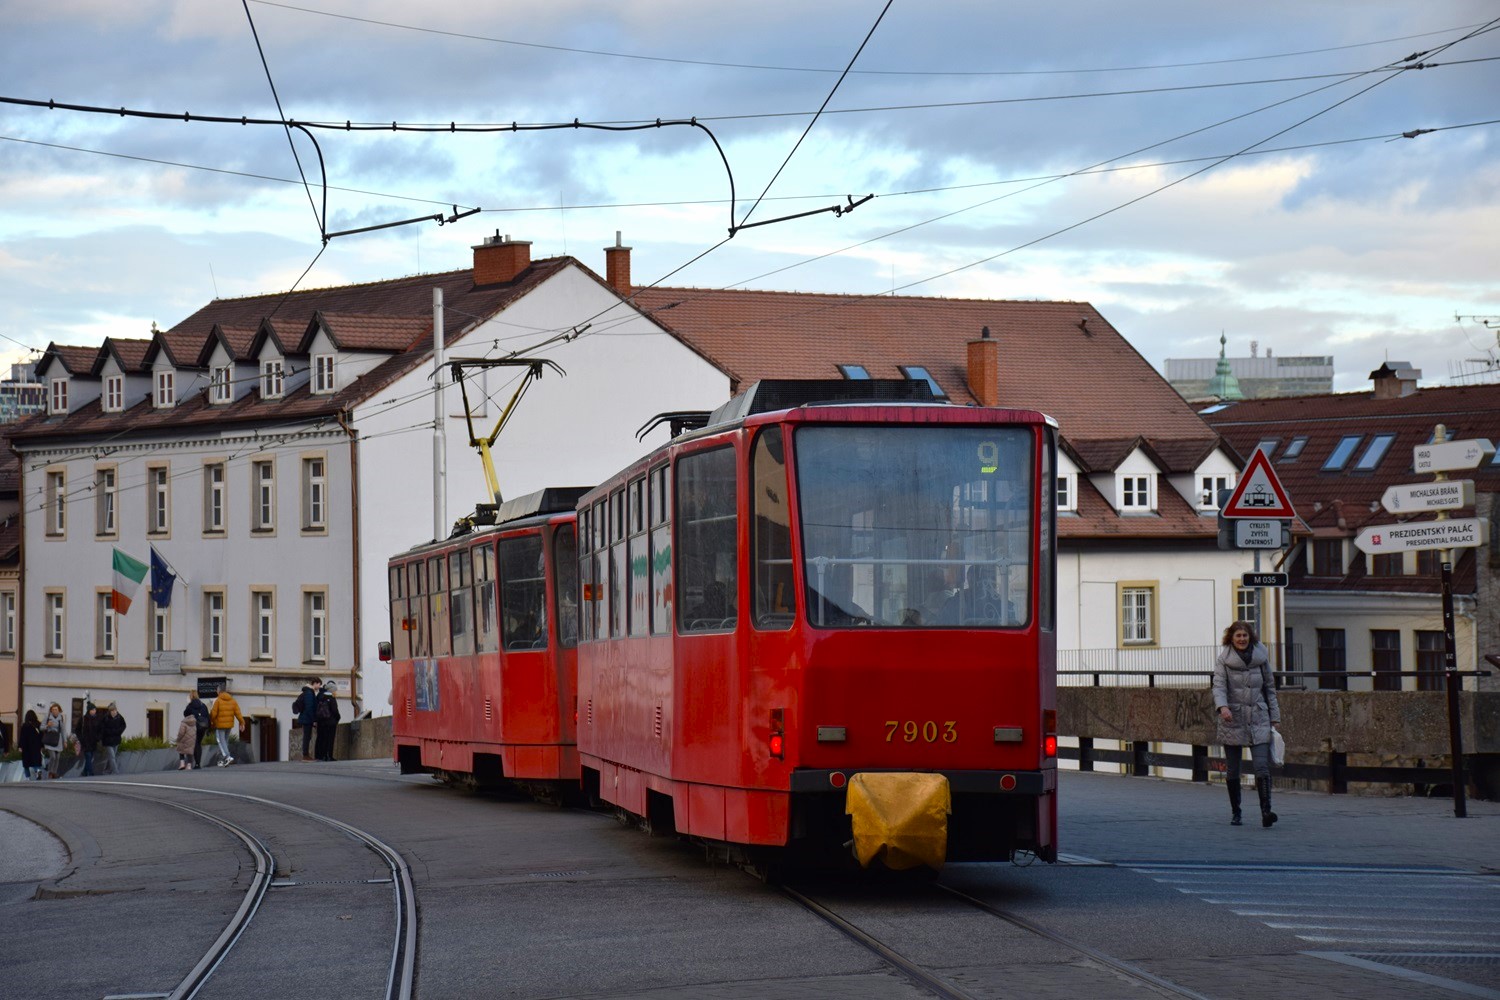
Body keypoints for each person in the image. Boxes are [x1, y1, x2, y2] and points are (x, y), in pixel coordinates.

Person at [1212, 620, 1281, 828]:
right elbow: (1219, 686)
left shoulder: (1261, 659)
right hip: (1233, 717)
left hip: (1258, 716)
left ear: (1250, 637)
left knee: (1262, 766)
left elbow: (1270, 688)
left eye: (1245, 635)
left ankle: (1266, 812)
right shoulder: (1224, 660)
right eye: (1238, 636)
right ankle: (1236, 812)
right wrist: (1222, 707)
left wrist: (1275, 716)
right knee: (1233, 770)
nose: (1242, 639)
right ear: (1231, 639)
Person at [208, 686, 244, 767]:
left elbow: (213, 714)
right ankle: (222, 761)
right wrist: (242, 722)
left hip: (220, 725)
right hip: (229, 725)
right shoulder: (232, 701)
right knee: (225, 741)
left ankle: (227, 757)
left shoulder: (218, 701)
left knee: (220, 741)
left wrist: (211, 722)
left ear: (219, 692)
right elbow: (238, 713)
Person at [292, 678, 322, 761]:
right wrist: (313, 720)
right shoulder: (309, 693)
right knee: (307, 737)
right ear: (315, 683)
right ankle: (305, 755)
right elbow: (309, 707)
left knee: (307, 736)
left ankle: (306, 755)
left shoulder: (308, 692)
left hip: (306, 717)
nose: (319, 687)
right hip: (307, 718)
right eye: (319, 684)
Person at [313, 681, 341, 762]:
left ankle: (324, 755)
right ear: (332, 690)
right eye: (335, 690)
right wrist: (338, 718)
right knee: (330, 739)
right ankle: (330, 755)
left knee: (324, 739)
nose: (335, 692)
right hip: (331, 722)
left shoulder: (321, 697)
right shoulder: (332, 698)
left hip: (322, 722)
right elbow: (335, 710)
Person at [185, 691, 211, 769]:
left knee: (194, 744)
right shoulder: (203, 705)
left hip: (193, 726)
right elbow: (207, 716)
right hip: (202, 727)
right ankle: (198, 763)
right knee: (198, 744)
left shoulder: (189, 706)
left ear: (190, 697)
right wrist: (208, 728)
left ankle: (192, 763)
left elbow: (185, 714)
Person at [99, 703, 127, 775]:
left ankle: (106, 771)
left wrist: (119, 731)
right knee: (112, 757)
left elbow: (123, 725)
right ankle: (116, 771)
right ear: (110, 711)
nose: (114, 712)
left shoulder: (119, 717)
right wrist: (108, 732)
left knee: (111, 757)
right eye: (112, 711)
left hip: (116, 740)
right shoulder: (105, 718)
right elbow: (102, 728)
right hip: (108, 741)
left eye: (115, 710)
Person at [41, 702, 66, 779]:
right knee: (53, 757)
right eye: (53, 710)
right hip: (49, 738)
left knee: (58, 757)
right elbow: (41, 728)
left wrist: (65, 741)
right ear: (51, 711)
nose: (55, 711)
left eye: (56, 709)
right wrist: (47, 725)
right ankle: (50, 772)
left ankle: (54, 772)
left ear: (59, 710)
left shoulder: (60, 718)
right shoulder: (47, 717)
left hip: (57, 739)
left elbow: (63, 730)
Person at [77, 703, 101, 777]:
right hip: (85, 741)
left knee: (90, 757)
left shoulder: (97, 719)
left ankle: (84, 772)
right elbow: (77, 730)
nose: (94, 711)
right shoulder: (83, 719)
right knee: (88, 756)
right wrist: (81, 738)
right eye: (93, 709)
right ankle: (91, 772)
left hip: (93, 741)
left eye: (95, 709)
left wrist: (98, 737)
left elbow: (100, 730)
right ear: (89, 710)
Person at [19, 710, 44, 781]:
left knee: (26, 763)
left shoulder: (25, 726)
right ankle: (38, 770)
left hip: (26, 747)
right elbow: (41, 736)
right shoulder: (38, 724)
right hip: (36, 746)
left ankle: (27, 777)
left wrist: (20, 746)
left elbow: (22, 737)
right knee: (36, 761)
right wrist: (42, 746)